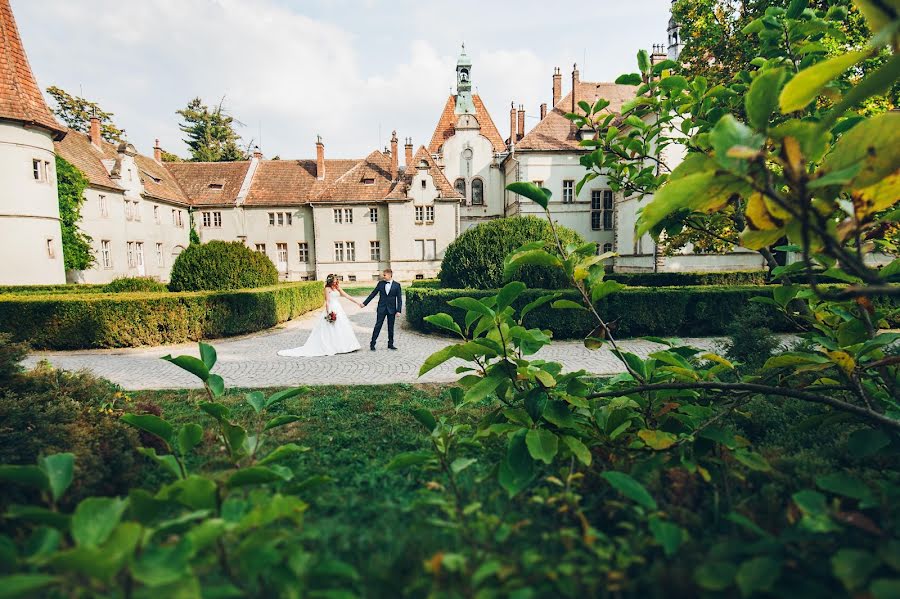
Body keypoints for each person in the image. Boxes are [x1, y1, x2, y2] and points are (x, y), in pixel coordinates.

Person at [278, 275, 362, 357]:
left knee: (342, 326)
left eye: (336, 280)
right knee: (331, 328)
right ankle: (334, 346)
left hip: (338, 309)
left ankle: (347, 346)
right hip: (332, 309)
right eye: (335, 280)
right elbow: (328, 302)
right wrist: (329, 313)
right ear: (331, 281)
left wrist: (358, 303)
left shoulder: (337, 288)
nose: (336, 281)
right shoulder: (327, 289)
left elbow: (347, 296)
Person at [362, 269, 402, 350]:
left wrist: (398, 310)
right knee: (378, 326)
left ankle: (390, 344)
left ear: (390, 275)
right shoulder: (380, 284)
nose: (383, 276)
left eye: (384, 275)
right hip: (381, 308)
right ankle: (372, 344)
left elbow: (399, 299)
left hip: (392, 309)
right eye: (383, 275)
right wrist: (365, 303)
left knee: (391, 327)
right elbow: (373, 294)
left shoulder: (397, 285)